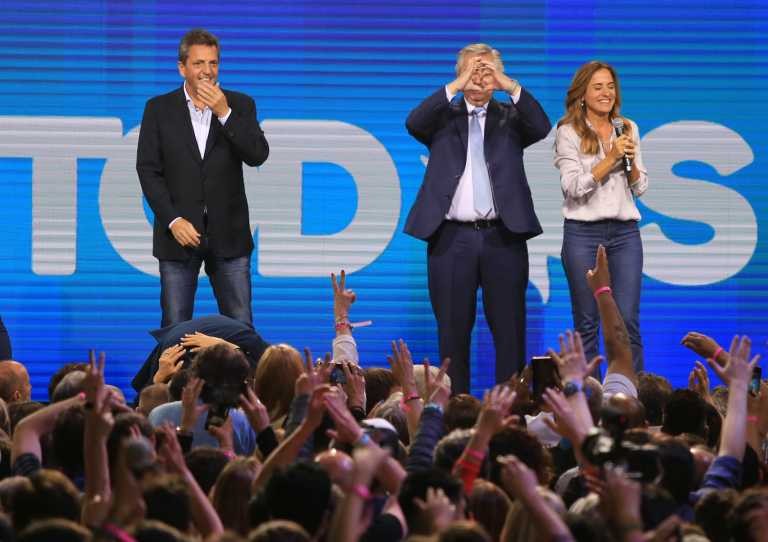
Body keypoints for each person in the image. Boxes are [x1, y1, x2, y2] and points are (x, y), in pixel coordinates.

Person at [404, 43, 550, 393]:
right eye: (472, 70)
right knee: (452, 331)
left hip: (504, 236)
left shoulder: (511, 117)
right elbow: (413, 122)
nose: (479, 77)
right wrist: (456, 86)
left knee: (509, 330)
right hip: (451, 238)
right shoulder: (442, 116)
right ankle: (455, 409)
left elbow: (542, 125)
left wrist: (507, 83)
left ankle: (510, 410)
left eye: (486, 71)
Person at [137, 28, 269, 328]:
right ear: (182, 67)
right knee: (174, 325)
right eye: (198, 64)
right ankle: (171, 378)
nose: (206, 71)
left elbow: (258, 155)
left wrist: (224, 112)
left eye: (213, 63)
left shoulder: (240, 104)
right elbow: (148, 170)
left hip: (230, 235)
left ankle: (244, 377)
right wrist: (173, 220)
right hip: (178, 236)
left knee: (240, 325)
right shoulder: (158, 109)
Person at [554, 61, 648, 371]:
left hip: (624, 235)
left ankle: (631, 398)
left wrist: (630, 161)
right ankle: (590, 403)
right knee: (587, 322)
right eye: (598, 87)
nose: (606, 93)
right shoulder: (568, 132)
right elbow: (572, 187)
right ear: (582, 93)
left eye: (610, 86)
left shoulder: (628, 128)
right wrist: (610, 159)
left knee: (627, 321)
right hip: (583, 235)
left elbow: (641, 186)